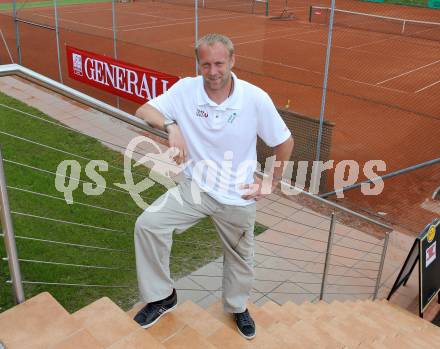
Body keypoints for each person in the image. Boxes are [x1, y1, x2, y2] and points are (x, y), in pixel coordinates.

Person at [133, 33, 294, 340]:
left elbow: (284, 141)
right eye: (206, 64)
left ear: (232, 61)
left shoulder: (254, 98)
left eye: (219, 63)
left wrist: (271, 181)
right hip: (195, 188)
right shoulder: (185, 90)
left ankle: (236, 307)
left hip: (238, 195)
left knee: (240, 258)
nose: (213, 71)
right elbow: (144, 110)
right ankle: (162, 296)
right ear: (198, 65)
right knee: (148, 225)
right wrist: (172, 127)